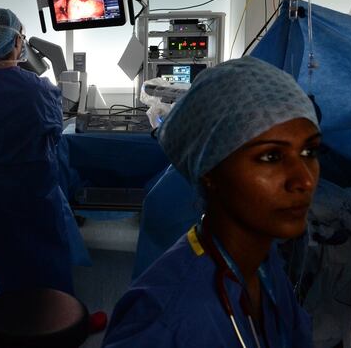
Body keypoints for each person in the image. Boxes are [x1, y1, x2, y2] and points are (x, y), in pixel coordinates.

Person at [103, 56, 321, 347]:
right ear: (210, 172)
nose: (304, 180)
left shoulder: (263, 267)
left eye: (308, 152)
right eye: (271, 157)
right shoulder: (161, 324)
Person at [0, 8, 86, 294]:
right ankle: (61, 317)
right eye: (22, 38)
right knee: (44, 257)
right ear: (16, 43)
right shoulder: (39, 89)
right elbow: (54, 133)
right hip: (32, 191)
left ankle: (1, 319)